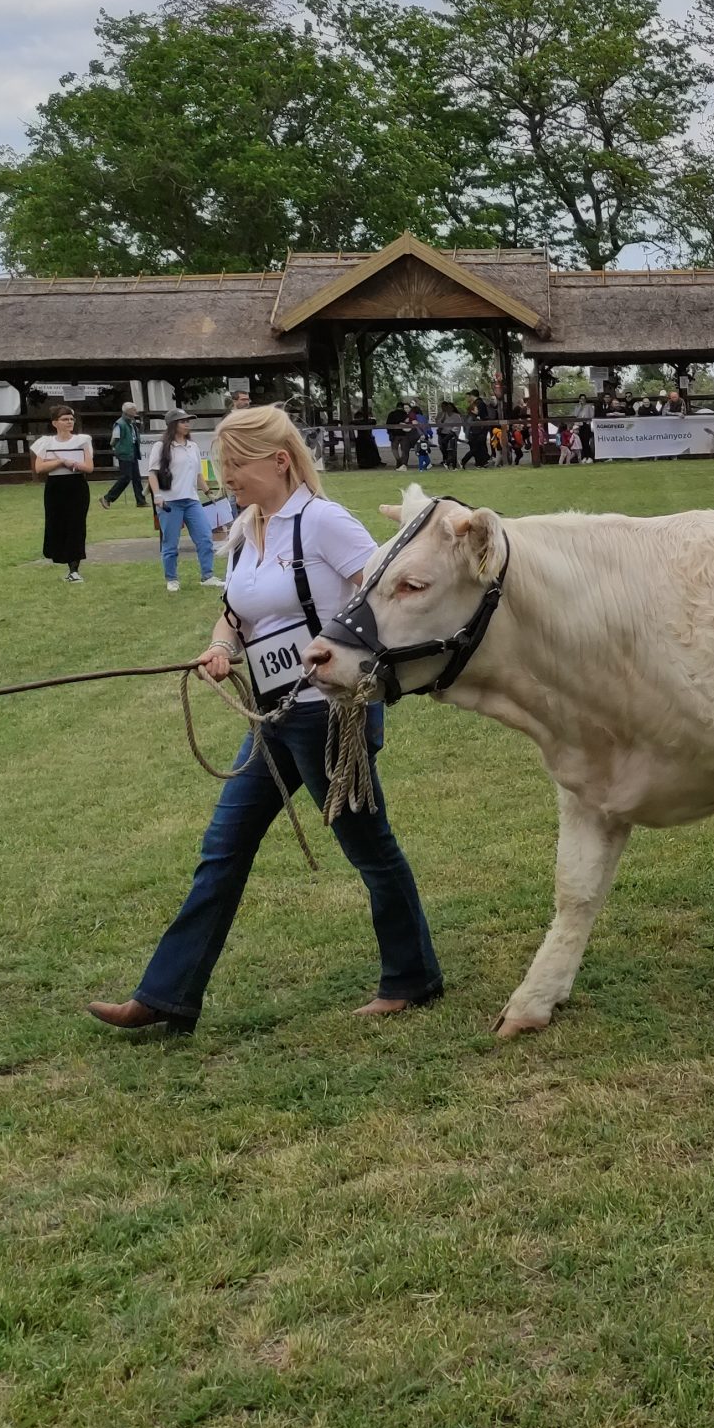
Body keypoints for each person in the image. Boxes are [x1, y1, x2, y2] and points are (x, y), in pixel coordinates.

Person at [86, 404, 443, 1034]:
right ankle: (165, 996)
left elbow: (382, 600)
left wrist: (340, 657)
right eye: (220, 463)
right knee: (222, 850)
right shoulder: (244, 527)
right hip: (272, 717)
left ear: (279, 461)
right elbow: (235, 610)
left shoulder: (325, 522)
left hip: (330, 717)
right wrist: (221, 646)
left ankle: (413, 978)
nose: (223, 476)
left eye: (234, 463)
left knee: (368, 849)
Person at [145, 409, 220, 592]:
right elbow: (153, 473)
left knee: (205, 538)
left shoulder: (192, 446)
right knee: (170, 543)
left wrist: (208, 492)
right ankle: (172, 579)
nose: (187, 424)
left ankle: (207, 575)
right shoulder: (161, 446)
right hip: (170, 501)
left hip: (192, 500)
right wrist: (157, 496)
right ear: (172, 425)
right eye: (182, 421)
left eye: (188, 421)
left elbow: (197, 474)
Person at [32, 405, 94, 582]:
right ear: (55, 423)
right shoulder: (46, 442)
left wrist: (71, 464)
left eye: (71, 419)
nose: (69, 422)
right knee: (57, 524)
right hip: (55, 487)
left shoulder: (82, 440)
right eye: (65, 419)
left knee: (76, 525)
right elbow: (39, 467)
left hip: (76, 486)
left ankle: (74, 569)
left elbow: (89, 467)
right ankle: (61, 557)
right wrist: (60, 461)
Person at [99, 401, 149, 510]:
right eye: (134, 409)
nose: (136, 411)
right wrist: (119, 448)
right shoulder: (120, 424)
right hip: (125, 453)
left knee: (136, 478)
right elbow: (114, 440)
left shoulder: (132, 422)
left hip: (133, 452)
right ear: (127, 411)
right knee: (126, 477)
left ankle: (141, 501)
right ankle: (107, 498)